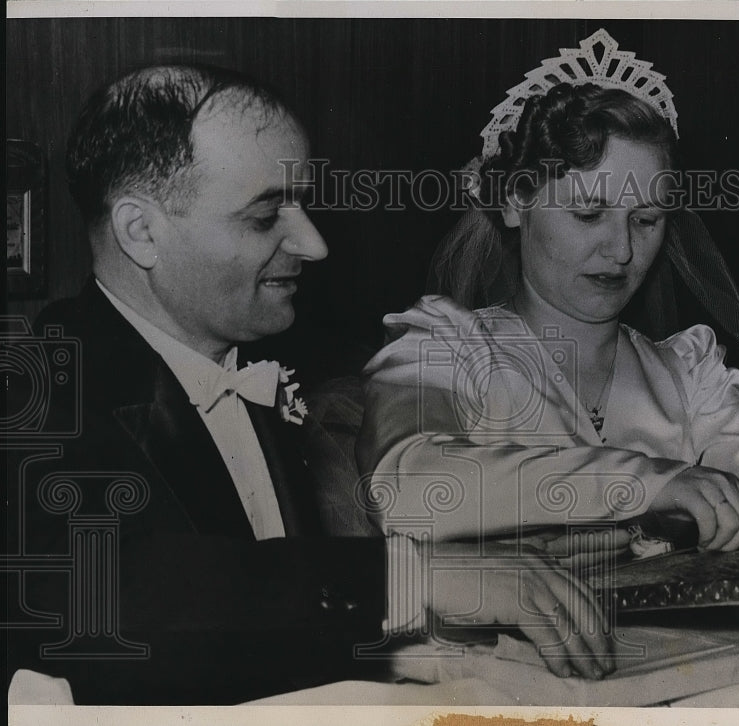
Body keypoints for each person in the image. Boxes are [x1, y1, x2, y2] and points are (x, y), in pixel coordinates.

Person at [5, 64, 613, 704]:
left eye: (303, 204)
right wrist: (416, 576)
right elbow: (119, 593)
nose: (315, 243)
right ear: (141, 231)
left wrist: (411, 658)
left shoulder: (248, 363)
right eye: (268, 215)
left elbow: (257, 625)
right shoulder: (36, 395)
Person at [357, 30, 739, 553]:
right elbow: (408, 485)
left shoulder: (689, 372)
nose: (623, 251)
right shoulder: (443, 347)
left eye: (646, 219)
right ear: (516, 202)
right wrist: (647, 482)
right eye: (588, 213)